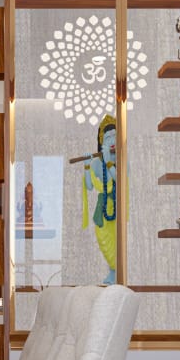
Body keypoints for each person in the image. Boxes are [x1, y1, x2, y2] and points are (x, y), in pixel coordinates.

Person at [82, 115, 117, 284]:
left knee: (116, 240)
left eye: (115, 136)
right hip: (102, 208)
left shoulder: (121, 159)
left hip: (116, 207)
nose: (112, 140)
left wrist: (109, 162)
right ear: (102, 140)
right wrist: (87, 166)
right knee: (104, 241)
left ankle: (116, 271)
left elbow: (118, 180)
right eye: (108, 137)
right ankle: (112, 270)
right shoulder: (97, 162)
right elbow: (89, 186)